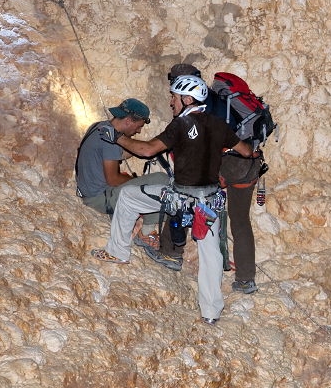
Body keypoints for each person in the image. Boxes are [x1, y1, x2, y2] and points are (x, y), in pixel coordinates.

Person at [90, 75, 256, 324]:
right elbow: (246, 151)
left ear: (187, 99)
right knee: (211, 255)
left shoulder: (179, 125)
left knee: (128, 196)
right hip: (209, 201)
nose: (171, 102)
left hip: (180, 197)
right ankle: (210, 314)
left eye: (174, 97)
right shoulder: (218, 124)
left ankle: (118, 251)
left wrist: (116, 136)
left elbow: (147, 150)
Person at [168, 63, 265, 295]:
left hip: (225, 164)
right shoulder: (222, 102)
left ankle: (172, 254)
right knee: (240, 220)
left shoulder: (194, 112)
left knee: (179, 198)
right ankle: (245, 279)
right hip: (247, 165)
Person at [74, 98, 169, 227]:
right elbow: (113, 180)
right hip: (100, 198)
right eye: (139, 126)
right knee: (161, 179)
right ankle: (148, 231)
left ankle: (123, 217)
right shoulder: (110, 141)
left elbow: (118, 154)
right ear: (129, 121)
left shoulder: (99, 127)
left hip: (90, 193)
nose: (139, 131)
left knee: (141, 183)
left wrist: (150, 148)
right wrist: (139, 181)